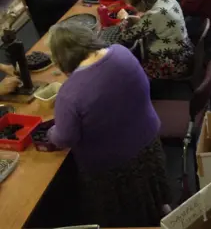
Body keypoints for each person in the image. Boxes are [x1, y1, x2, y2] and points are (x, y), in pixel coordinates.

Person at [46, 21, 170, 227]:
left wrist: (51, 132)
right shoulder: (122, 52)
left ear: (61, 59)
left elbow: (65, 138)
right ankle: (160, 214)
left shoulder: (70, 93)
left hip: (112, 170)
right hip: (149, 147)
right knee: (153, 202)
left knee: (123, 219)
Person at [118, 0, 194, 80]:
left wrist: (123, 19)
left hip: (174, 63)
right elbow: (158, 22)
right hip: (186, 51)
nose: (133, 8)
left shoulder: (153, 16)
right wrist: (140, 20)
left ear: (141, 3)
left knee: (131, 74)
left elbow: (125, 37)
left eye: (133, 6)